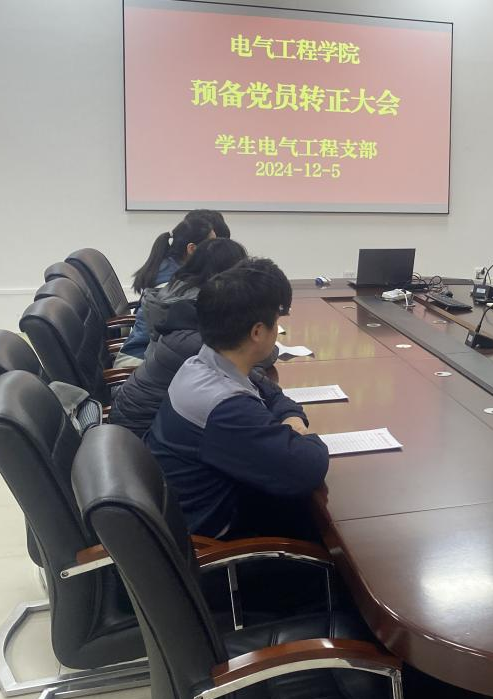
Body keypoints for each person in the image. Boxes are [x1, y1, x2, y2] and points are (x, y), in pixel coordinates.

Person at [145, 258, 329, 540]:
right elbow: (308, 467)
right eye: (276, 322)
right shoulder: (225, 406)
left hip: (203, 505)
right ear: (257, 332)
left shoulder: (202, 363)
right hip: (218, 536)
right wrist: (301, 436)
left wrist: (291, 417)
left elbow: (269, 391)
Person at [109, 237, 248, 440]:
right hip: (144, 428)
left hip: (144, 407)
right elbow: (244, 357)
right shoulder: (196, 311)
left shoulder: (180, 291)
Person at [116, 212, 224, 366]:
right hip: (137, 361)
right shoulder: (172, 285)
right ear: (192, 248)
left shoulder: (170, 266)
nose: (215, 251)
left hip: (145, 355)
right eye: (211, 245)